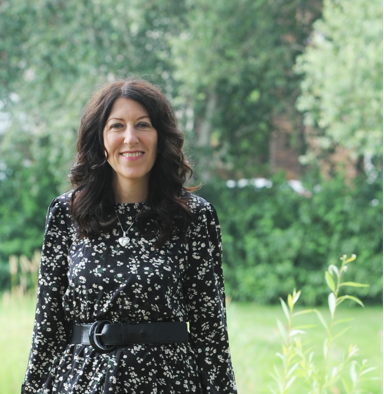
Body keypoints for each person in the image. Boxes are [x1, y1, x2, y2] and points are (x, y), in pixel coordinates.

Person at [21, 79, 238, 393]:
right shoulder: (67, 212)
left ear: (161, 136)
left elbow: (211, 332)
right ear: (100, 138)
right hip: (82, 383)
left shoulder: (193, 216)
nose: (130, 138)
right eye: (117, 126)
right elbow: (48, 328)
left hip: (168, 384)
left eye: (143, 125)